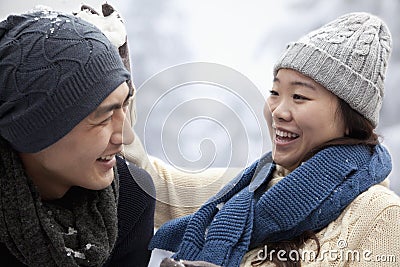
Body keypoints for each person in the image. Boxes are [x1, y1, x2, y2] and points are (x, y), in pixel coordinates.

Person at [150, 12, 400, 266]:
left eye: (299, 96)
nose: (278, 111)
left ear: (350, 117)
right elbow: (165, 189)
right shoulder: (253, 187)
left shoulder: (381, 215)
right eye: (275, 92)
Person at [0, 8, 155, 266]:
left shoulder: (131, 200)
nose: (126, 136)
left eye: (124, 106)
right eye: (104, 117)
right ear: (33, 127)